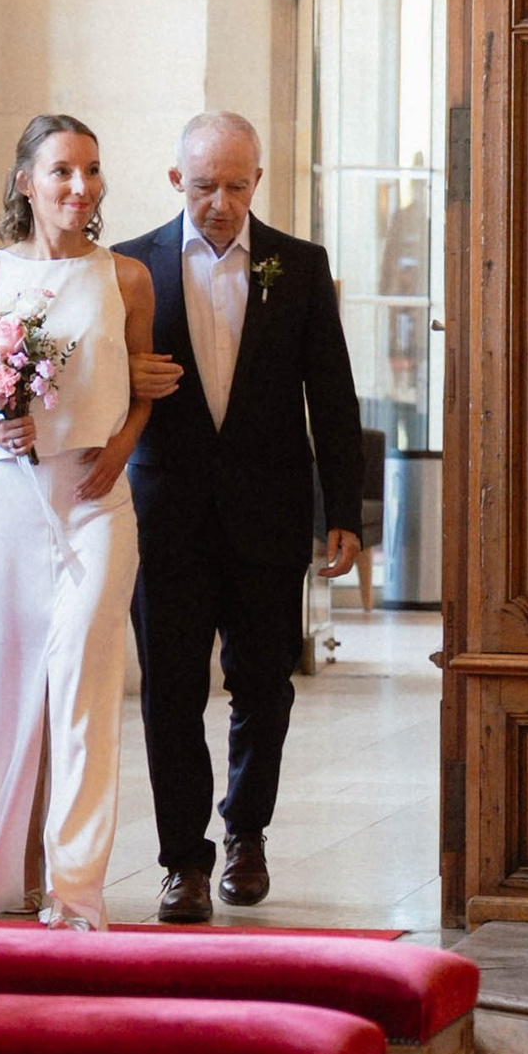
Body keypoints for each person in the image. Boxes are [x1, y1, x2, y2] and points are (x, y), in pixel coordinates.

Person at [120, 113, 363, 922]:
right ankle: (182, 861)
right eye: (202, 186)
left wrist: (345, 513)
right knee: (170, 690)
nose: (219, 203)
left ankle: (246, 835)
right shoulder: (128, 267)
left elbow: (330, 398)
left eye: (235, 185)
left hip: (268, 512)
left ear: (257, 179)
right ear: (174, 180)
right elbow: (91, 386)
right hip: (165, 514)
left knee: (263, 685)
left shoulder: (297, 267)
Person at [0, 113, 169, 927]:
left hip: (96, 502)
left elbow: (143, 390)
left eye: (93, 170)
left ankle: (76, 886)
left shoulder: (128, 278)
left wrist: (121, 450)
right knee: (7, 690)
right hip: (7, 502)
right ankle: (13, 871)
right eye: (64, 171)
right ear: (26, 181)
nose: (82, 187)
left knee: (80, 678)